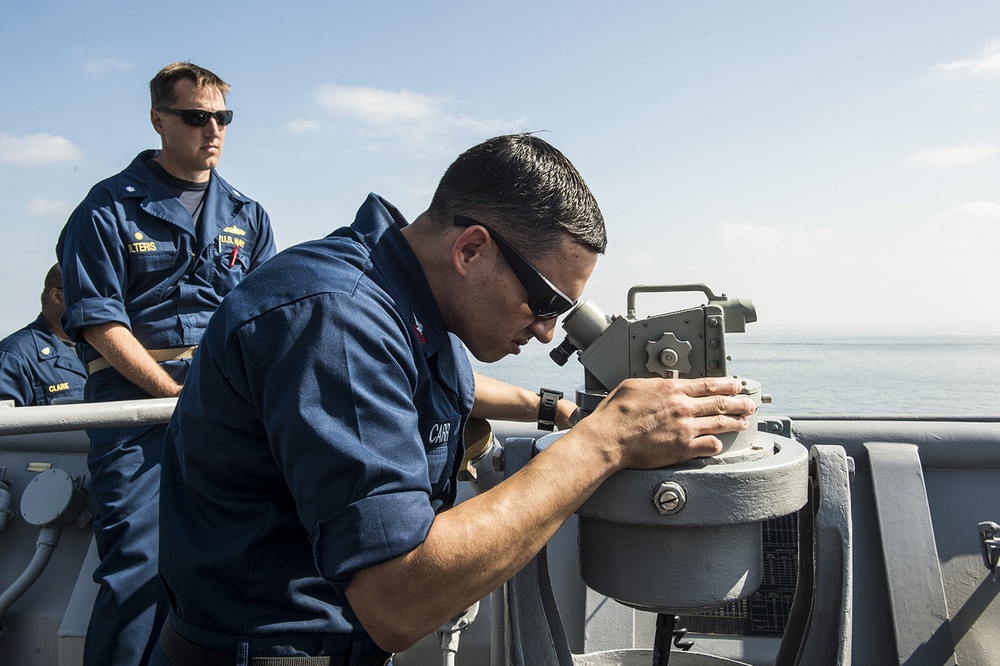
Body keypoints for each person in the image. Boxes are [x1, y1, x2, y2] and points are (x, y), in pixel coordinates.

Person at [152, 134, 753, 665]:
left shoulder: (403, 292)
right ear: (471, 250)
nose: (547, 331)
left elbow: (447, 388)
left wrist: (561, 413)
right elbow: (397, 602)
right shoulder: (336, 320)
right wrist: (605, 441)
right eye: (544, 302)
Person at [56, 62, 276, 666]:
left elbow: (264, 325)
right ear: (158, 119)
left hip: (226, 406)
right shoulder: (105, 210)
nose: (213, 130)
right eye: (196, 117)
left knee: (237, 561)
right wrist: (173, 398)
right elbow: (102, 325)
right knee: (140, 569)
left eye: (222, 118)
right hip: (137, 412)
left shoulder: (247, 216)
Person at [0, 263, 87, 406]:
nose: (98, 301)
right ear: (56, 296)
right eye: (86, 293)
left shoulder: (102, 348)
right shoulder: (14, 356)